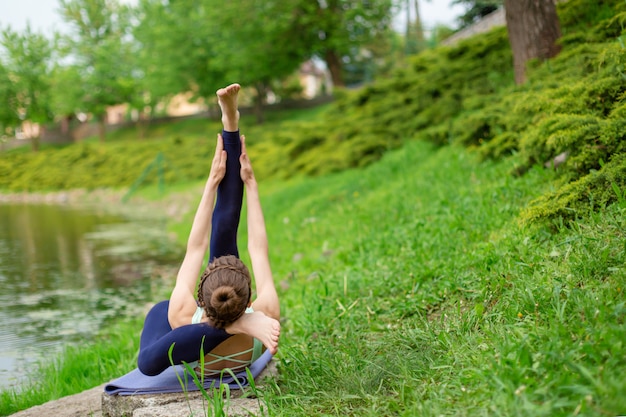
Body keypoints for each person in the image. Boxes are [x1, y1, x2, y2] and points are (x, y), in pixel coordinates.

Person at [137, 83, 280, 377]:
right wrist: (250, 184)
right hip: (242, 347)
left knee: (158, 313)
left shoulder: (182, 315)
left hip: (198, 344)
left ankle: (231, 124)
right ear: (250, 297)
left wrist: (211, 182)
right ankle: (231, 123)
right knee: (225, 233)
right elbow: (257, 246)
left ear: (200, 300)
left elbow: (196, 247)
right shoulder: (267, 315)